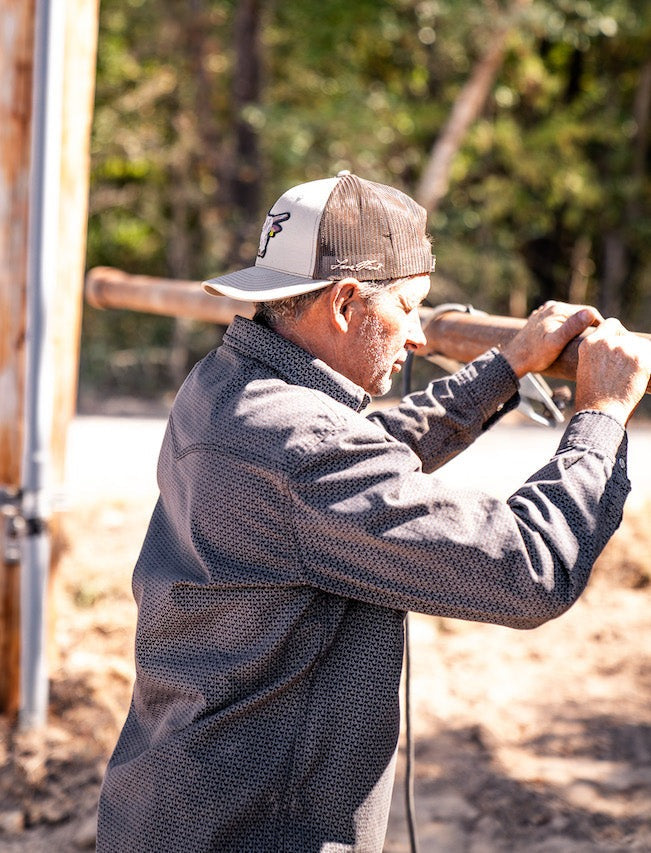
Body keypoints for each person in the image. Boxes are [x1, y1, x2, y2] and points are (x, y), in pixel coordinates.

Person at [97, 172, 651, 853]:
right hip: (255, 833)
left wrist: (503, 368)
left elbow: (357, 463)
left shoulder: (226, 383)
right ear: (344, 302)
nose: (418, 335)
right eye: (410, 307)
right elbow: (527, 570)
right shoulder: (302, 447)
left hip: (168, 808)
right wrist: (598, 413)